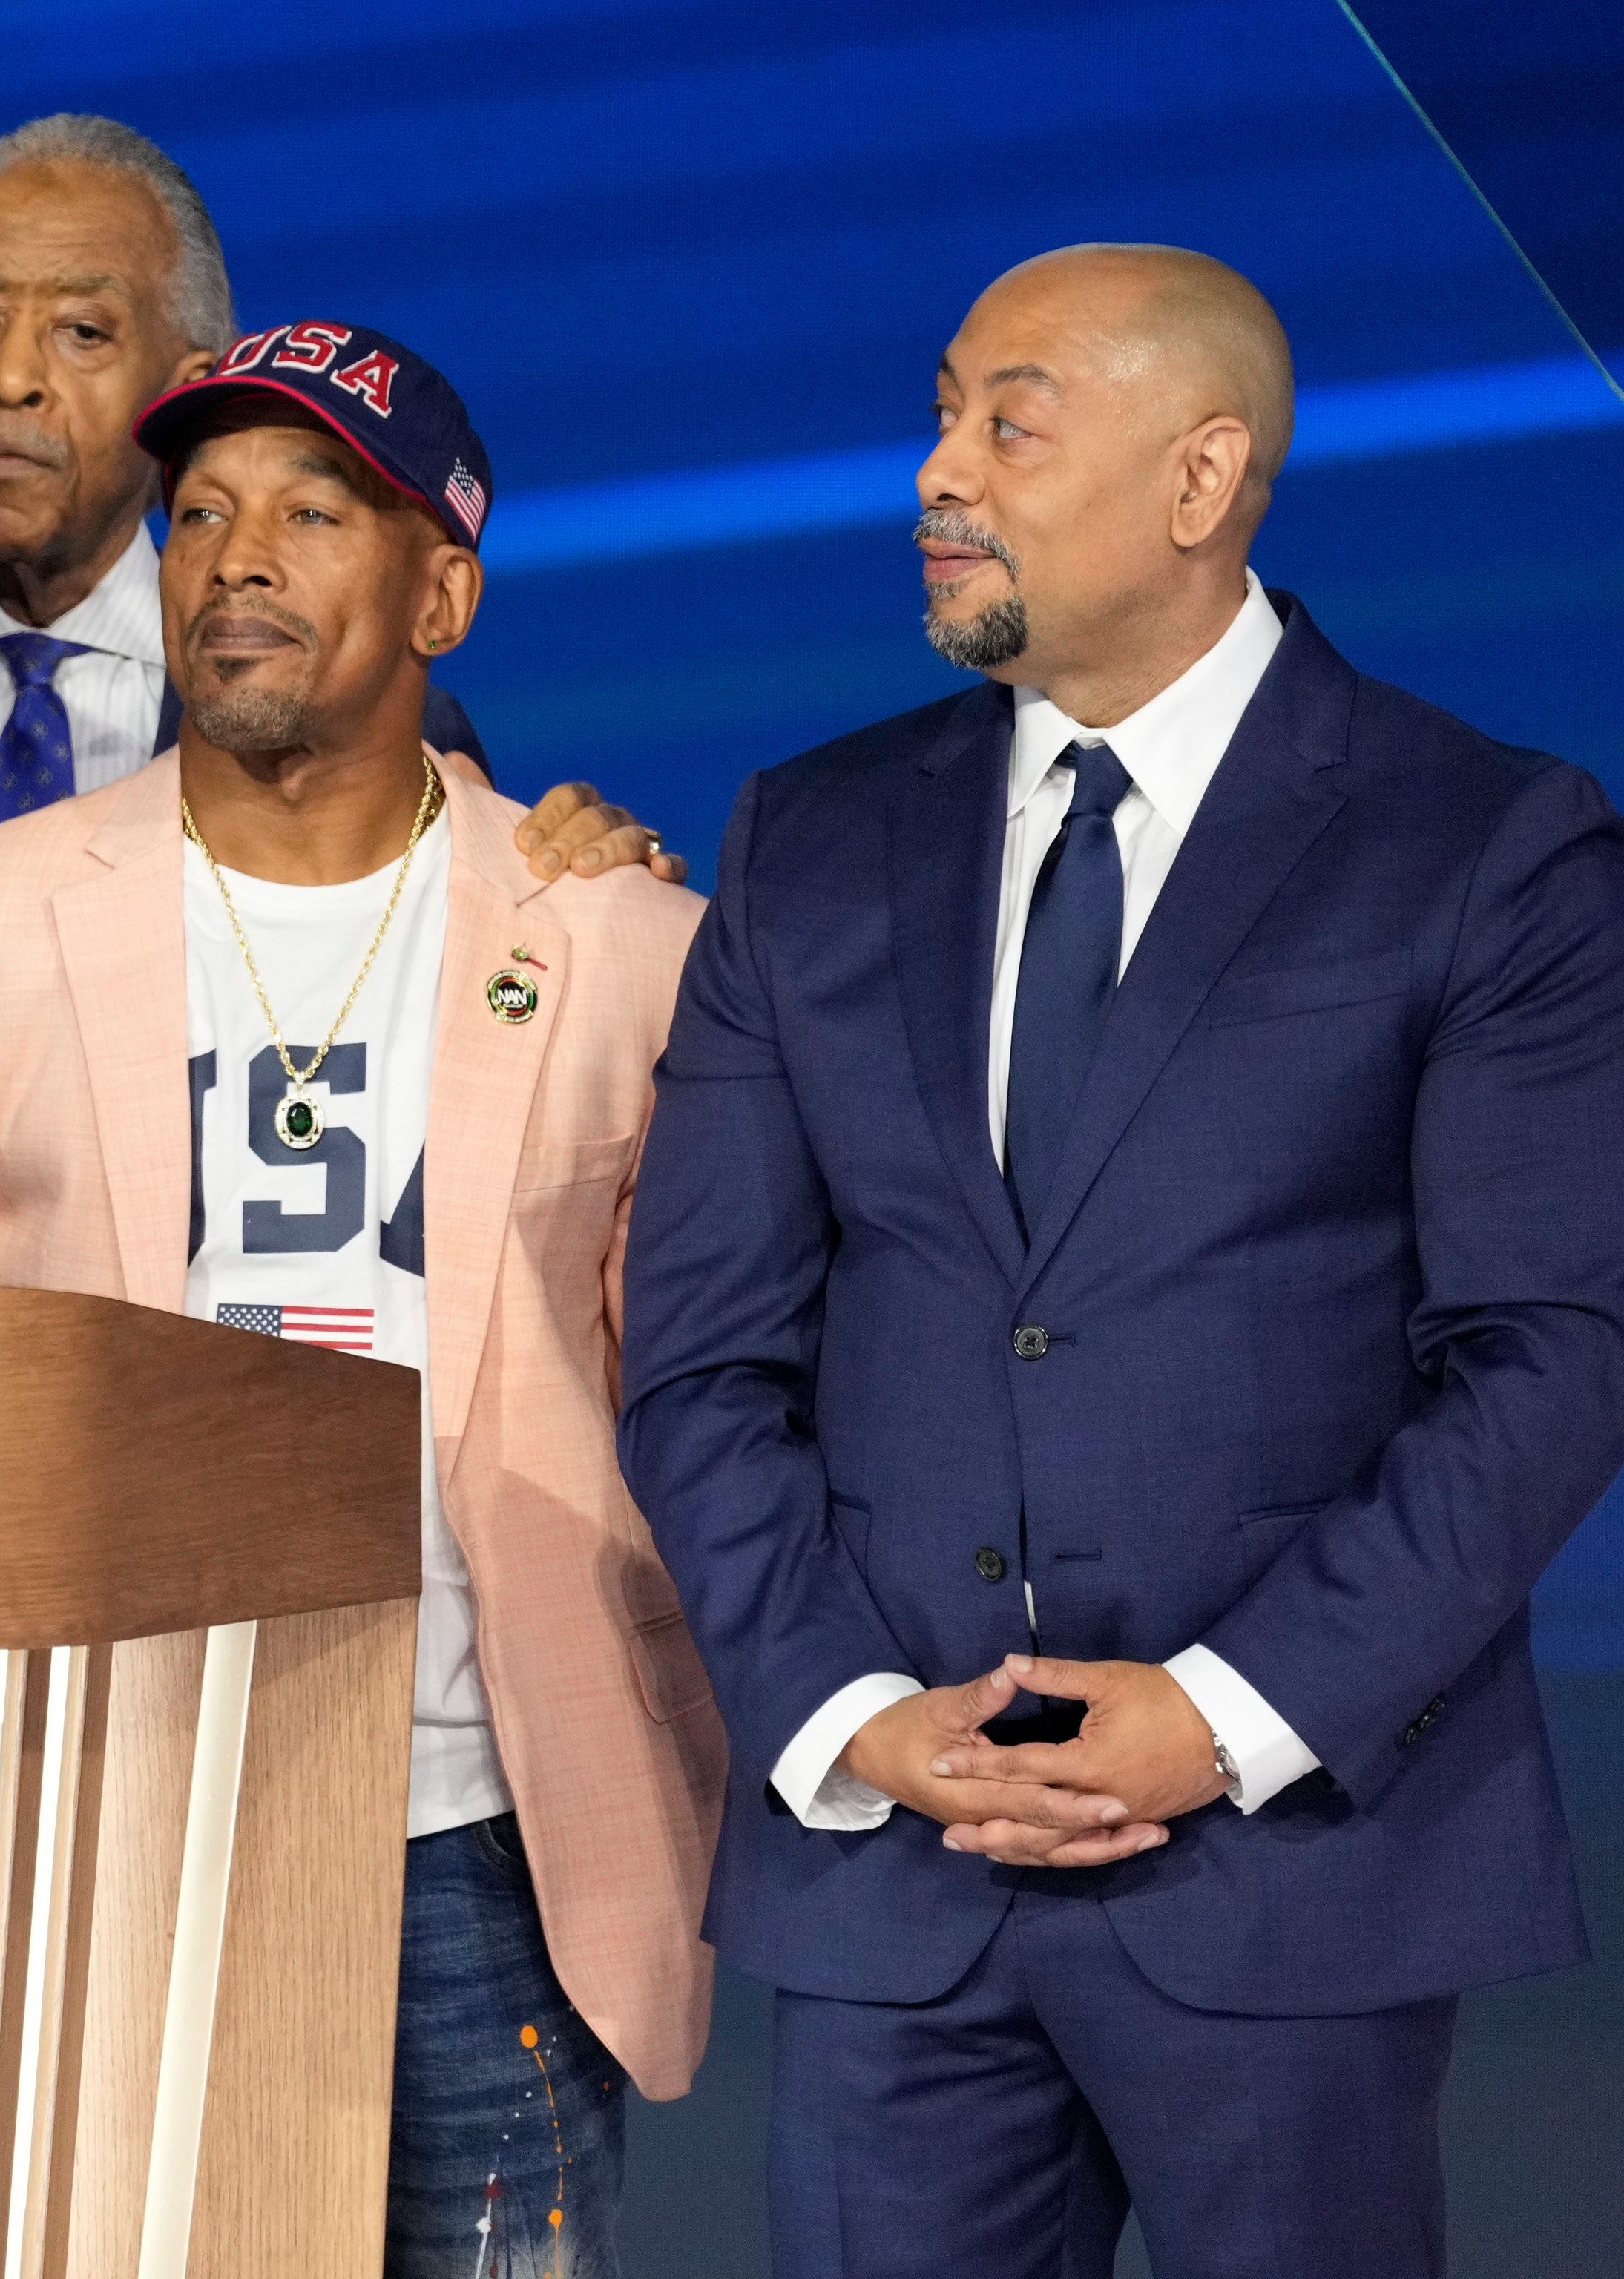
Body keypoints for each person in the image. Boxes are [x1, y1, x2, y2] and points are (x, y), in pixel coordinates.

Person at [618, 245, 1624, 2276]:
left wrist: (1227, 1712)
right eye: (940, 412)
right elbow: (703, 1360)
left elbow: (1547, 1359)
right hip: (900, 1884)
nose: (938, 473)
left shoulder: (1482, 843)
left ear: (1200, 478)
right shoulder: (809, 840)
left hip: (1288, 1871)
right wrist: (846, 1718)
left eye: (1009, 418)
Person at [0, 321, 724, 2276]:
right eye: (200, 515)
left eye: (314, 513)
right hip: (115, 1818)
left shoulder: (624, 945)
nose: (235, 556)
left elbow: (712, 1379)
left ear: (446, 590)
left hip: (482, 1831)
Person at [0, 113, 679, 887]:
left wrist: (586, 876)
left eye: (83, 330)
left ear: (189, 385)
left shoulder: (385, 721)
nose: (9, 378)